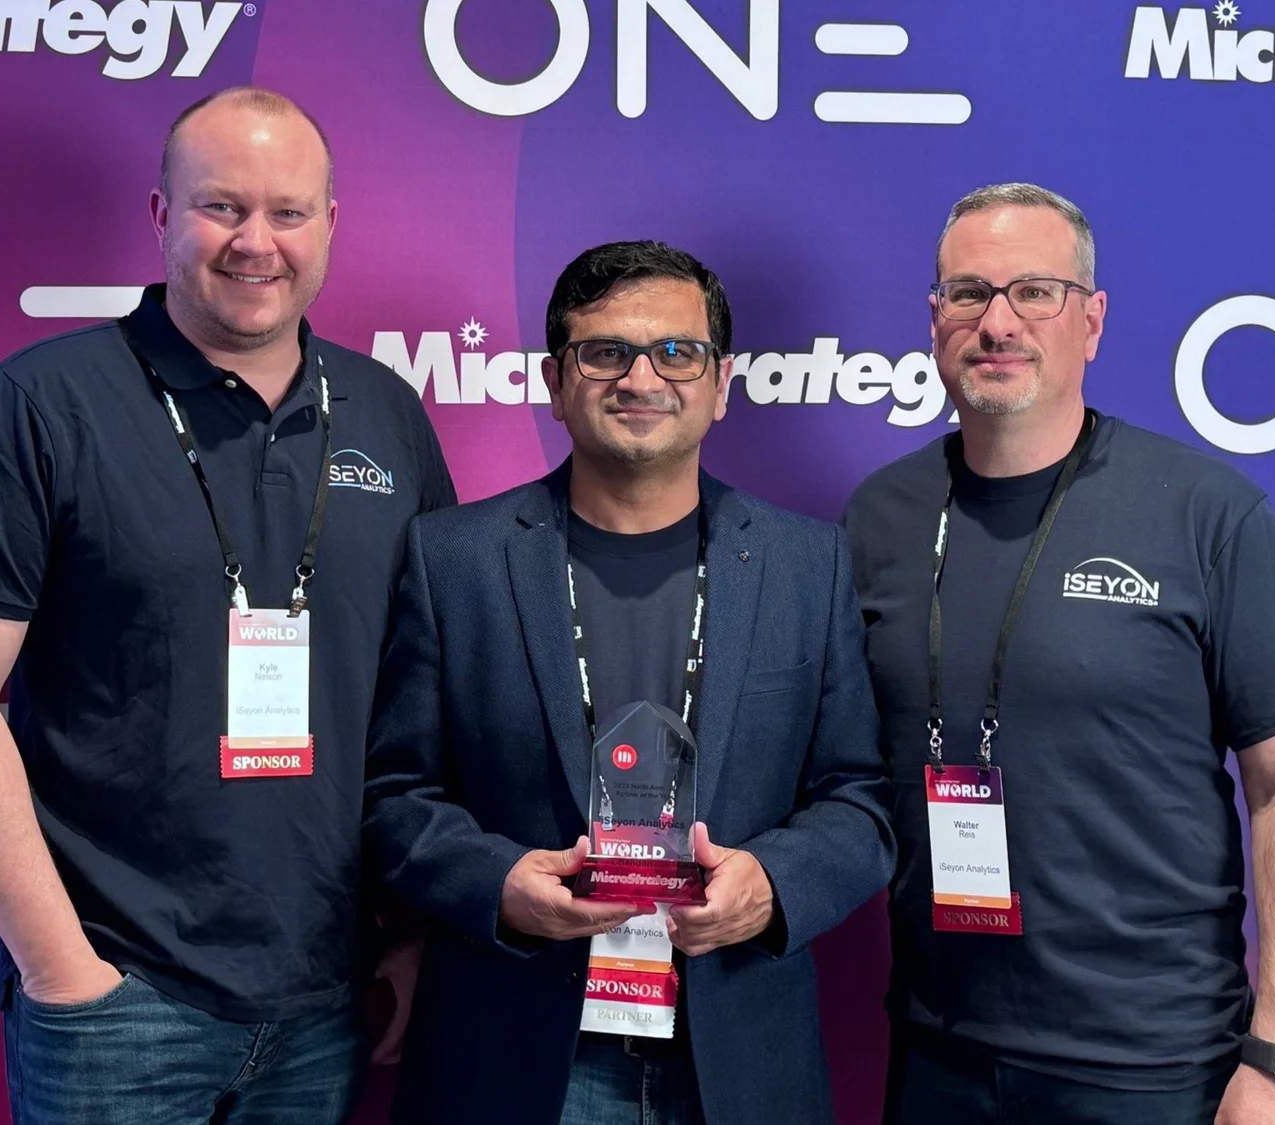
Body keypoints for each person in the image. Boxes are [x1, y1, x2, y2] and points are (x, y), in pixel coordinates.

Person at [0, 86, 454, 1125]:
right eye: (221, 206)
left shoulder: (386, 414)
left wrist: (415, 930)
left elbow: (422, 701)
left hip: (326, 997)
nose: (256, 242)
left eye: (288, 212)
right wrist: (62, 967)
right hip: (117, 998)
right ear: (161, 214)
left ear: (331, 223)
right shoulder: (42, 405)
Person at [842, 182, 1275, 1125]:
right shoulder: (879, 518)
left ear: (1091, 321)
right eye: (969, 293)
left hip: (1155, 1069)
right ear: (934, 319)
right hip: (937, 1057)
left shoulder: (1202, 511)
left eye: (1035, 292)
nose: (998, 322)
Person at [363, 240, 895, 1125]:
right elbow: (395, 795)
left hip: (737, 1062)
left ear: (721, 384)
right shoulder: (453, 559)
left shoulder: (809, 564)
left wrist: (771, 882)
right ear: (554, 380)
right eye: (605, 351)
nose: (641, 378)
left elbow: (859, 799)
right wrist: (498, 883)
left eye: (677, 352)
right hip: (515, 1056)